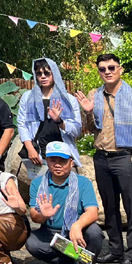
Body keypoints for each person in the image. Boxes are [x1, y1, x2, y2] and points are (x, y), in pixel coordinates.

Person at [75, 53, 132, 264]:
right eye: (102, 69)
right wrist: (88, 112)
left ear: (120, 69)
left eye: (111, 67)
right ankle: (116, 249)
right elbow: (91, 128)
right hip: (102, 157)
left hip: (125, 158)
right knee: (109, 206)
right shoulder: (94, 95)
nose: (107, 72)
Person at [25, 141, 103, 264]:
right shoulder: (37, 183)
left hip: (76, 231)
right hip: (51, 231)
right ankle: (64, 261)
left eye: (62, 160)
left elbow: (93, 212)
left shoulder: (83, 182)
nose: (57, 164)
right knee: (32, 243)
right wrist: (44, 215)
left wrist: (77, 226)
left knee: (94, 232)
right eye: (53, 160)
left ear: (71, 162)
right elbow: (34, 216)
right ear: (47, 161)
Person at [17, 57, 83, 198]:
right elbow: (22, 124)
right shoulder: (28, 98)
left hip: (63, 154)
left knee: (66, 195)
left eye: (47, 73)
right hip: (38, 154)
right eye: (39, 73)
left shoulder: (68, 100)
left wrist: (59, 121)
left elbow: (77, 129)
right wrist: (30, 149)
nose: (43, 77)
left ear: (54, 74)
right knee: (42, 195)